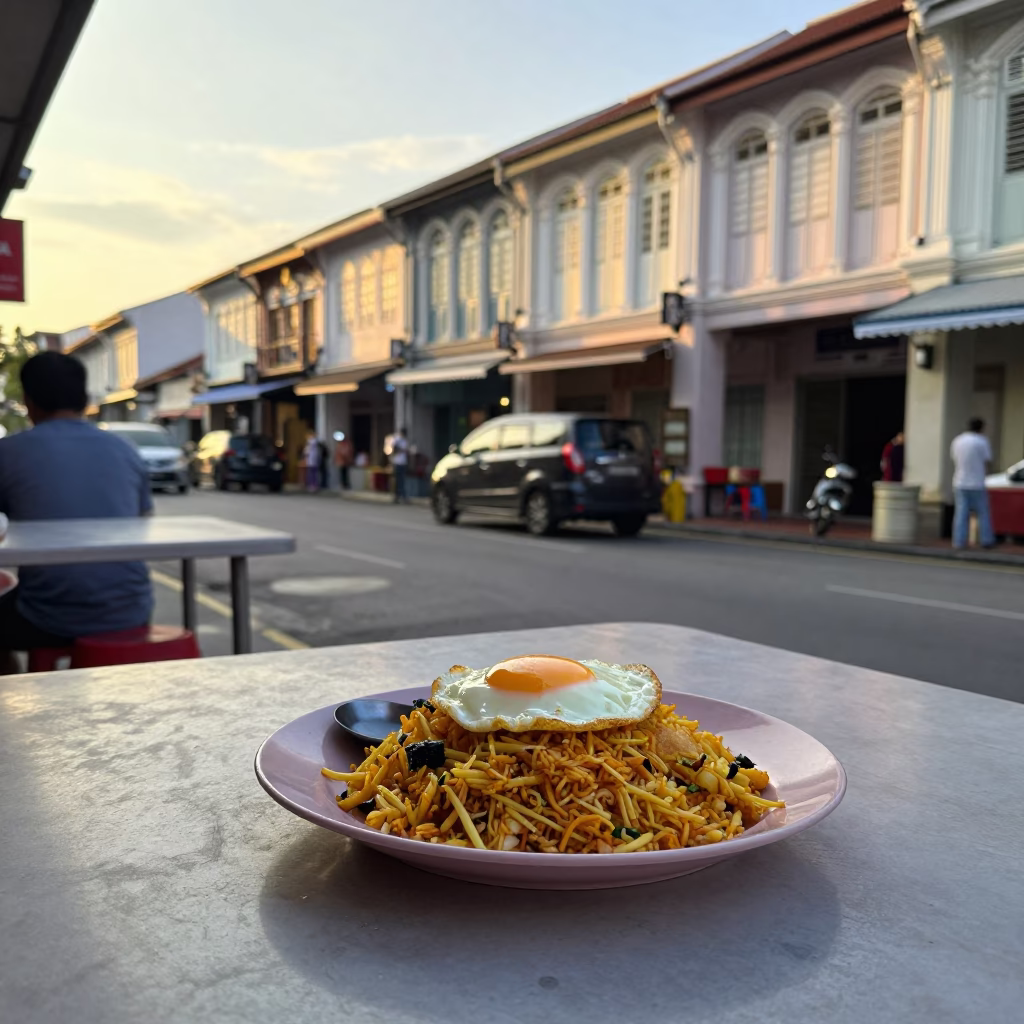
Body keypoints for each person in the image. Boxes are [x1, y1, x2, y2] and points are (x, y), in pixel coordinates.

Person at [0, 352, 153, 671]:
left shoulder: (9, 452)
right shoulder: (124, 449)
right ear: (84, 398)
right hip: (131, 609)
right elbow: (142, 521)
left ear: (28, 400)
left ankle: (10, 697)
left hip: (48, 615)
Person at [950, 417, 994, 550]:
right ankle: (986, 540)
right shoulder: (982, 441)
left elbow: (954, 458)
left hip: (960, 481)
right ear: (981, 428)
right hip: (977, 483)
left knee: (961, 513)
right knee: (983, 513)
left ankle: (958, 541)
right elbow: (988, 461)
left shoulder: (957, 441)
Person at [391, 427, 410, 504]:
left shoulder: (405, 441)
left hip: (403, 463)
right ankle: (398, 497)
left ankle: (401, 496)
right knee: (398, 480)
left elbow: (406, 451)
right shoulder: (397, 440)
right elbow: (394, 449)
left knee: (402, 480)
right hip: (397, 462)